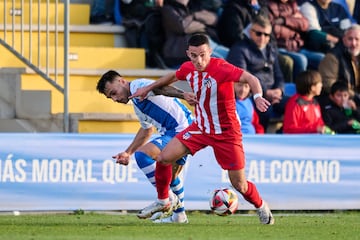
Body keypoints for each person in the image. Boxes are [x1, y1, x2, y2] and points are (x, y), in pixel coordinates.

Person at [130, 33, 275, 225]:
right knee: (164, 158)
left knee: (239, 184)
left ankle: (261, 206)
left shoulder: (221, 68)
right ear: (188, 54)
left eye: (203, 55)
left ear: (210, 52)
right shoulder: (188, 68)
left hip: (227, 133)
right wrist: (148, 88)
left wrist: (257, 96)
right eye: (194, 55)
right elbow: (172, 76)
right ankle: (164, 201)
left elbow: (250, 78)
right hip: (201, 128)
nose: (199, 60)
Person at [96, 70, 193, 223]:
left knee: (142, 155)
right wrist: (128, 152)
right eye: (111, 97)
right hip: (181, 130)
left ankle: (165, 199)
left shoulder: (138, 86)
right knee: (171, 177)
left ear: (122, 81)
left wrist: (183, 95)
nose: (115, 99)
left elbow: (161, 88)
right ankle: (179, 215)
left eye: (114, 93)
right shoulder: (137, 102)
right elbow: (147, 130)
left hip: (180, 129)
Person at [227, 15, 289, 131]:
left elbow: (278, 74)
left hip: (273, 93)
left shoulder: (271, 48)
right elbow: (243, 78)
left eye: (266, 35)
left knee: (293, 103)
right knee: (265, 109)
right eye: (259, 33)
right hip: (251, 94)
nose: (262, 38)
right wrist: (265, 92)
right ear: (251, 32)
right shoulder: (239, 49)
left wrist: (279, 90)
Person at [160, 0, 229, 68]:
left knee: (233, 56)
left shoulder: (194, 5)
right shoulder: (168, 9)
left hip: (208, 44)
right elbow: (182, 27)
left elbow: (214, 19)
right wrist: (203, 24)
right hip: (182, 54)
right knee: (225, 63)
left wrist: (194, 15)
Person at [267, 0, 325, 74]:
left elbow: (305, 24)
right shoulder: (268, 6)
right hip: (279, 47)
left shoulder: (293, 5)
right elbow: (273, 29)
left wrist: (284, 20)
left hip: (296, 47)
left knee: (322, 58)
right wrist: (295, 23)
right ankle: (301, 85)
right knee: (301, 60)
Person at [318, 24, 360, 107]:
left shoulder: (357, 55)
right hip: (335, 103)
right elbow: (328, 84)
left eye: (357, 39)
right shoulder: (332, 57)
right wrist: (353, 96)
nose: (354, 43)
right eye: (350, 39)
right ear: (344, 40)